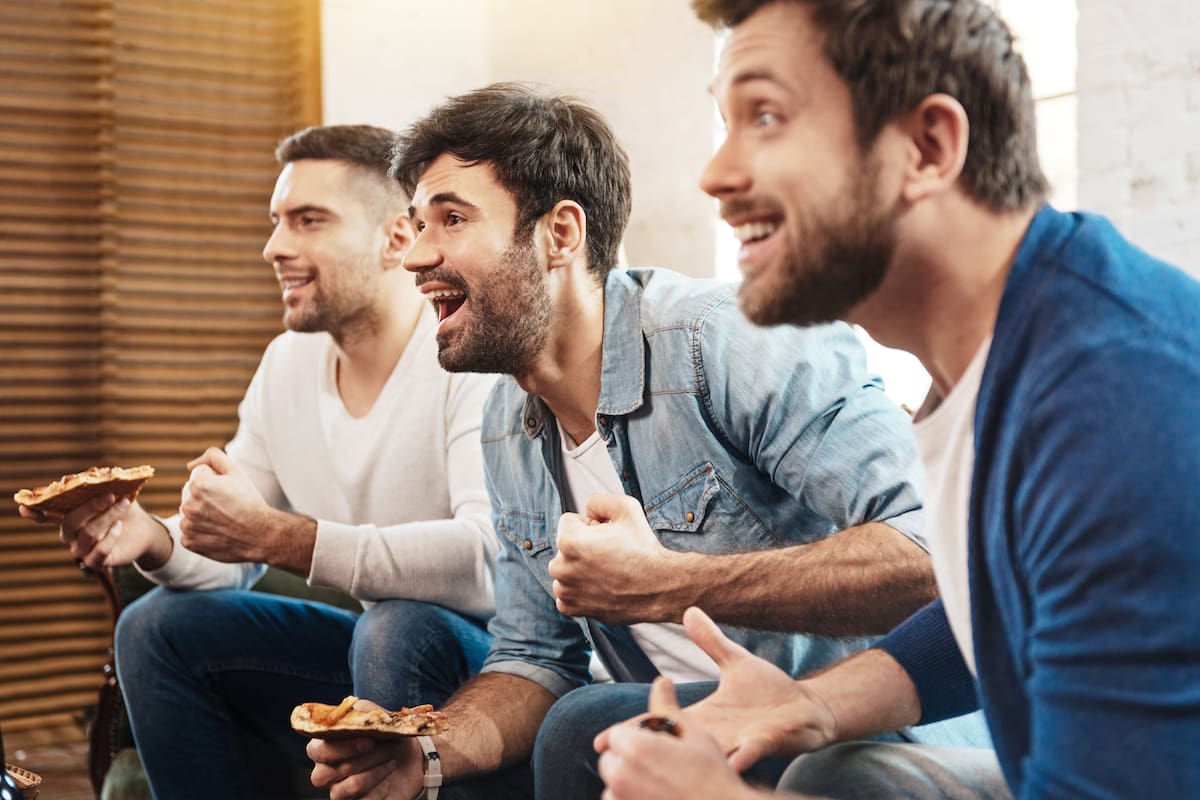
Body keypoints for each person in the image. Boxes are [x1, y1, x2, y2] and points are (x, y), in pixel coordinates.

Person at [306, 83, 986, 800]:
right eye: (415, 225)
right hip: (674, 727)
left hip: (856, 727)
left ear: (560, 235)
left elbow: (937, 552)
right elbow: (535, 659)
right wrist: (432, 752)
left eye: (451, 219)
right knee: (486, 747)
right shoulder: (508, 420)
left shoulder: (730, 339)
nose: (415, 256)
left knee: (586, 724)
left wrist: (666, 585)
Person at [595, 1, 1200, 798]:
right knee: (836, 771)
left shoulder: (1113, 407)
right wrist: (809, 701)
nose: (716, 175)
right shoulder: (1000, 349)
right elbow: (1001, 604)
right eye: (725, 123)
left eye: (767, 116)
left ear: (927, 147)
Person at [19, 124, 499, 800]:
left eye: (308, 221)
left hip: (491, 672)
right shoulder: (288, 364)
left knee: (395, 624)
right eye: (276, 222)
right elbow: (236, 552)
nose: (275, 247)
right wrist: (152, 540)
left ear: (397, 238)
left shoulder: (464, 356)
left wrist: (289, 539)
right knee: (157, 626)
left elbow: (490, 561)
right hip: (373, 655)